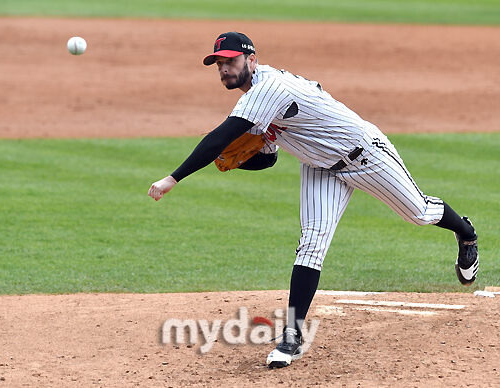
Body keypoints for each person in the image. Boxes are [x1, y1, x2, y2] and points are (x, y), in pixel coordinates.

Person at [148, 32, 479, 368]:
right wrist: (237, 161)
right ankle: (292, 336)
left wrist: (173, 178)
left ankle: (466, 232)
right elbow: (268, 158)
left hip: (365, 154)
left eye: (230, 61)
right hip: (319, 166)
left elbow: (219, 135)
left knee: (419, 212)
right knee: (311, 244)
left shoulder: (268, 88)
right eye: (219, 63)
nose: (224, 69)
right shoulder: (255, 101)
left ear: (251, 60)